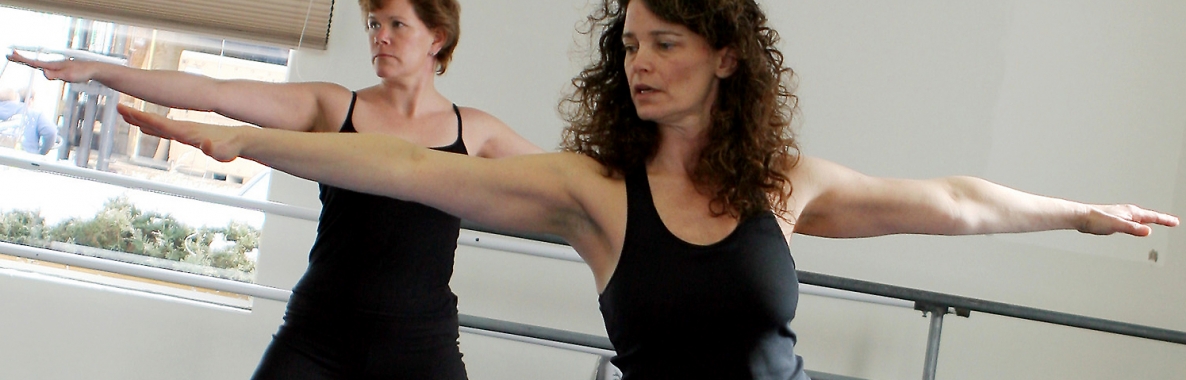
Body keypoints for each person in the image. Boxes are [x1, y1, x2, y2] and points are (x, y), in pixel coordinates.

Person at [112, 0, 1177, 379]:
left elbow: (947, 200)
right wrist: (231, 136)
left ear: (723, 56)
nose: (640, 61)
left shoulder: (782, 181)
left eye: (665, 41)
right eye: (629, 44)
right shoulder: (592, 191)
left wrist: (1075, 211)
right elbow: (394, 167)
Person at [10, 0, 543, 379]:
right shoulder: (335, 106)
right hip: (320, 335)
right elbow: (213, 92)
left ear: (438, 37)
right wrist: (99, 70)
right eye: (373, 23)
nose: (379, 35)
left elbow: (565, 181)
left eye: (396, 24)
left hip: (420, 345)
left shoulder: (474, 130)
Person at [0, 87, 58, 155]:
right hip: (22, 159)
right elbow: (51, 132)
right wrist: (41, 153)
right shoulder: (34, 114)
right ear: (30, 100)